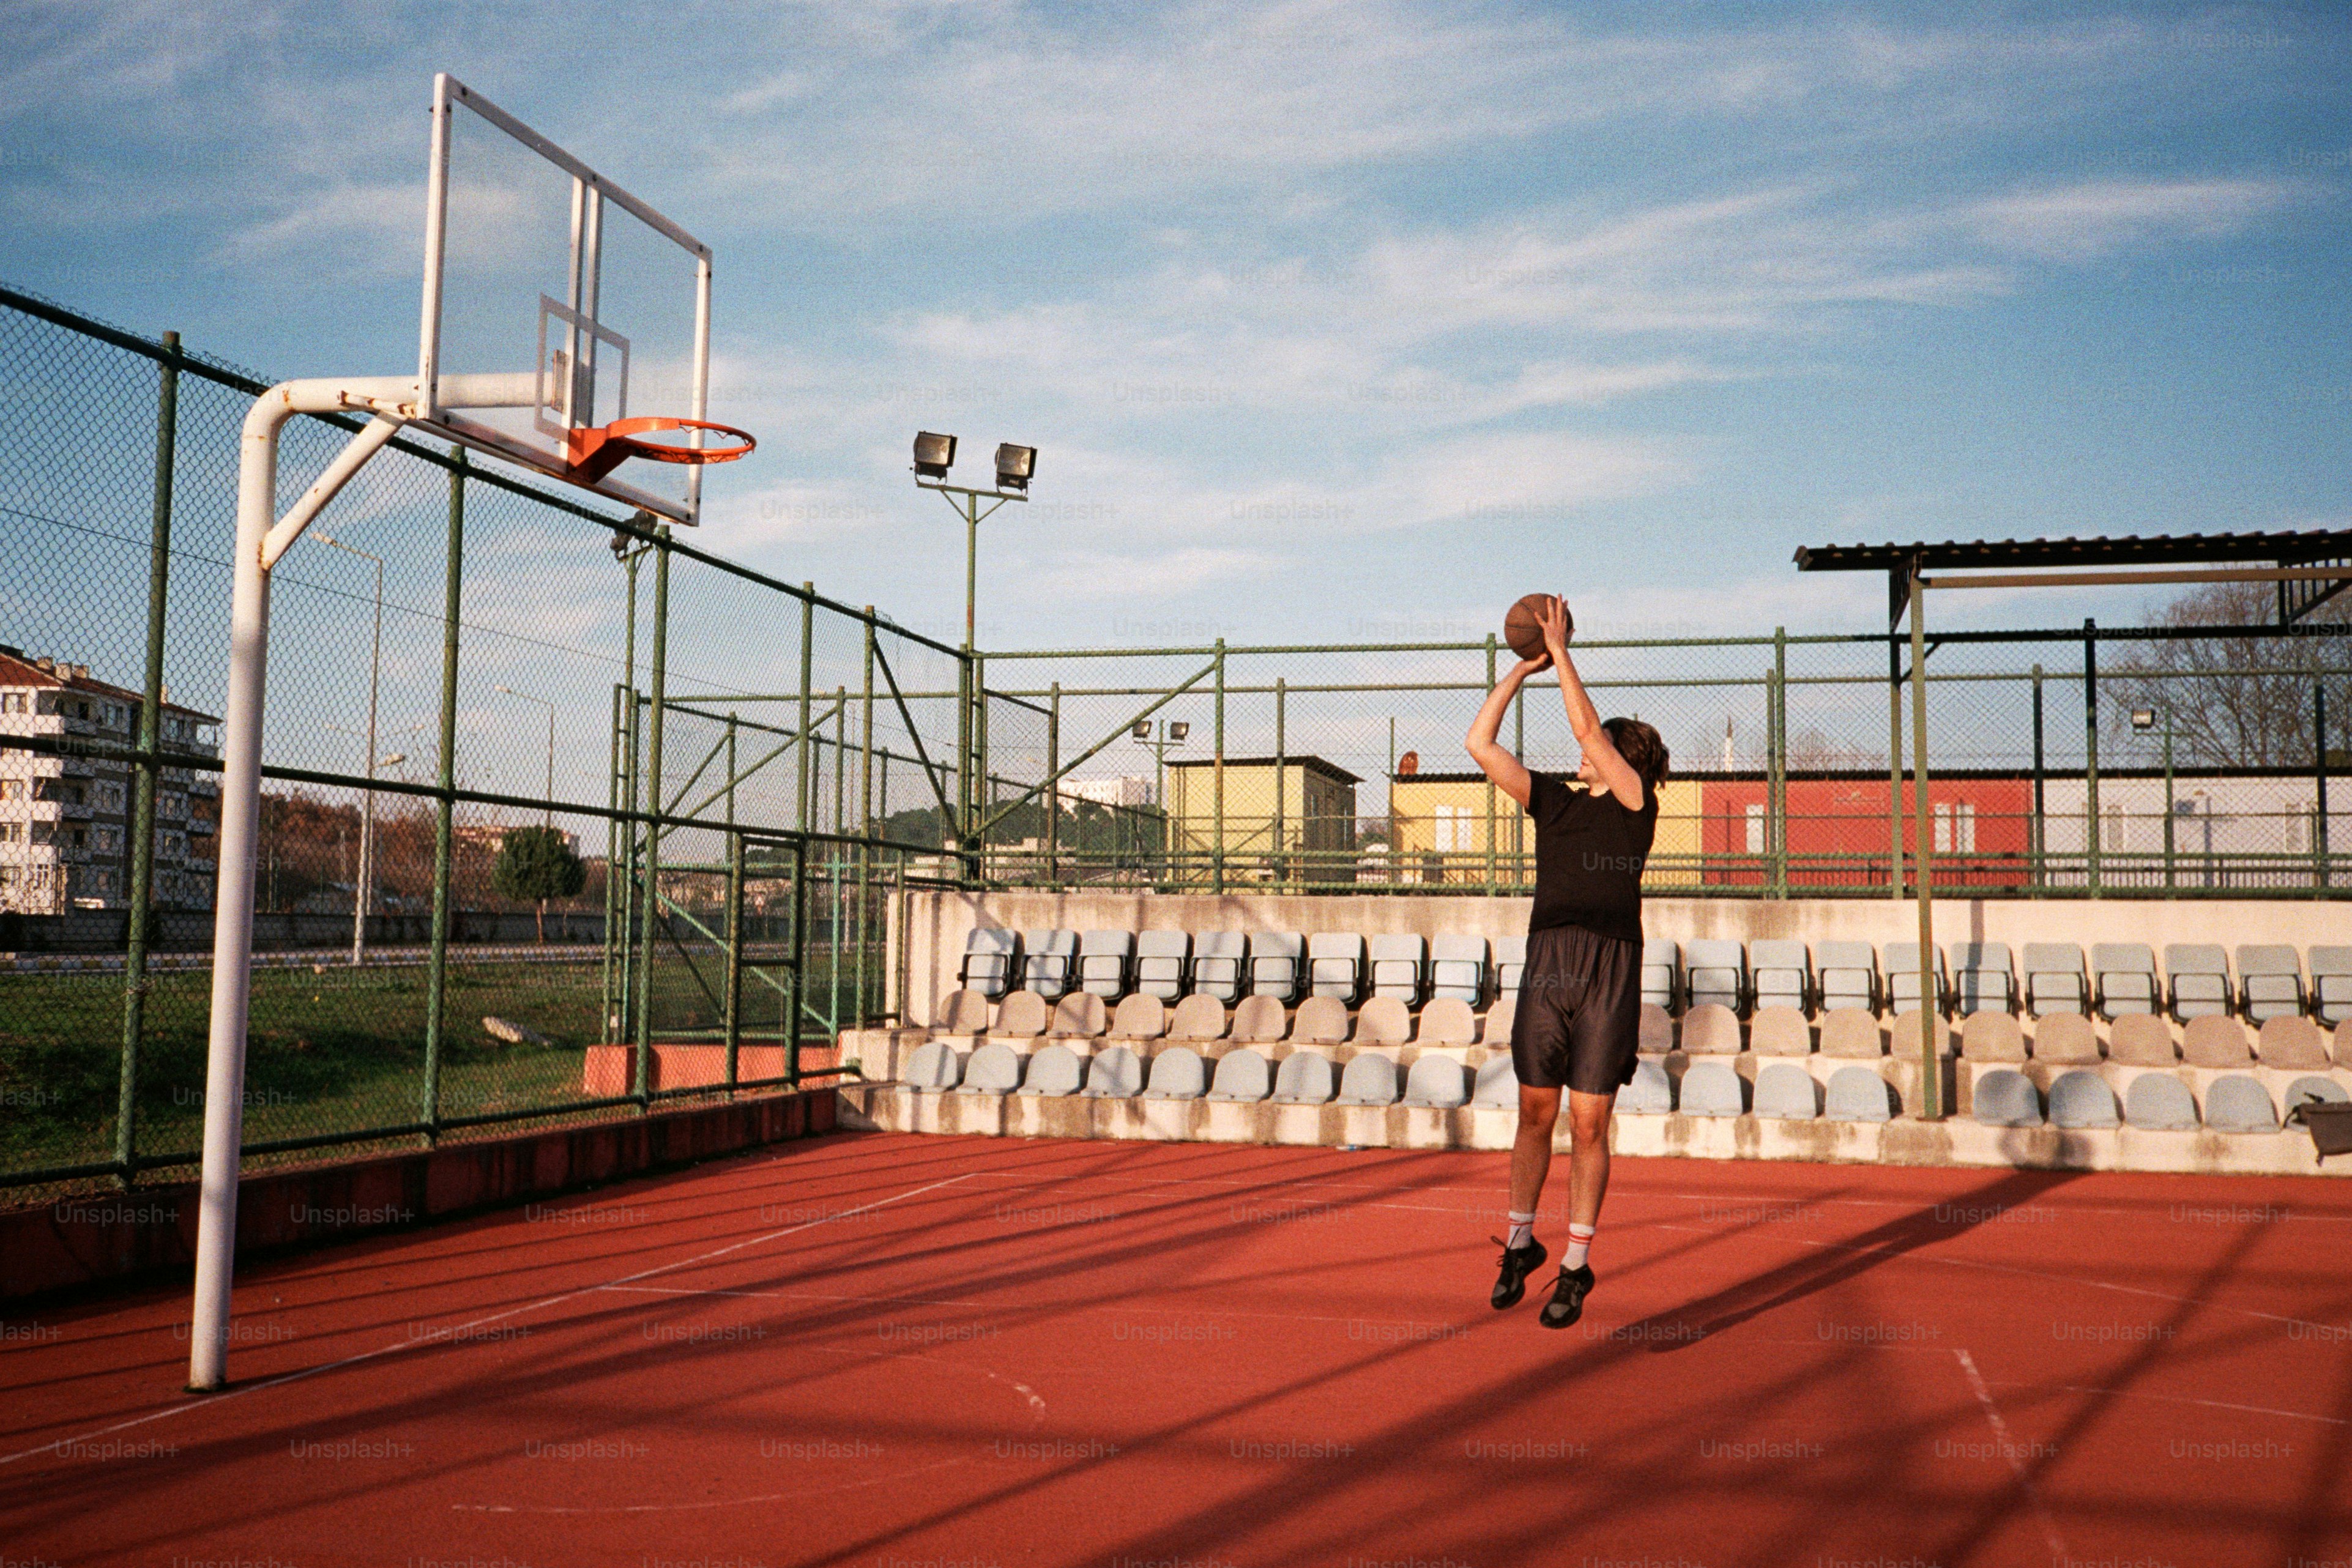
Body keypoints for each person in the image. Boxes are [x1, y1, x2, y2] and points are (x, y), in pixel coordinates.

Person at [1464, 594, 1670, 1328]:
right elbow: (1480, 745)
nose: (1583, 747)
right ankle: (1521, 1242)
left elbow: (1587, 725)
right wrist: (1522, 670)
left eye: (1601, 745)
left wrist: (1561, 649)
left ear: (1625, 758)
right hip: (1548, 961)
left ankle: (1577, 1263)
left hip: (1608, 968)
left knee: (1588, 1123)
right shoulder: (1552, 801)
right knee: (1533, 1108)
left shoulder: (1633, 802)